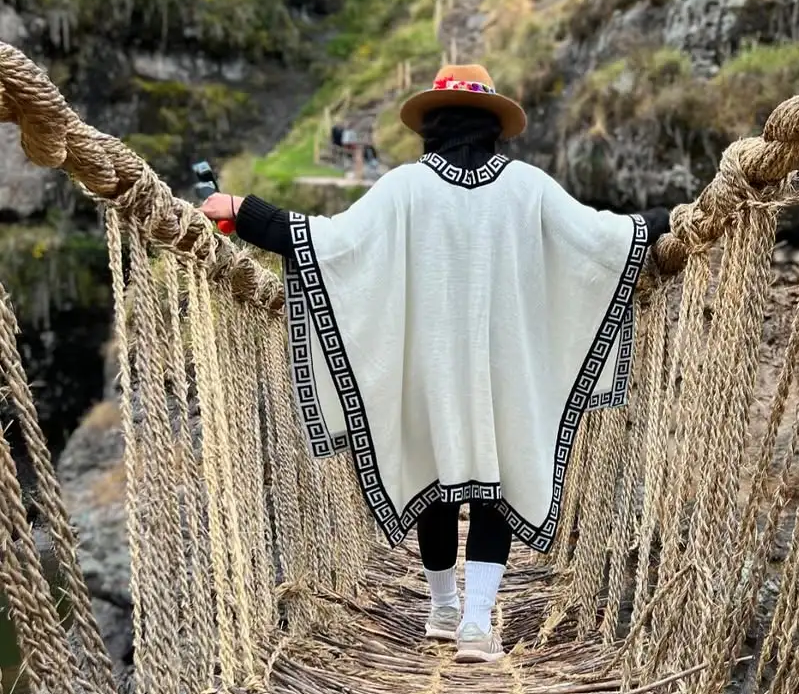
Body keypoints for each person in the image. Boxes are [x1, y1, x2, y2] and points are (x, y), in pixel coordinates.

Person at [200, 64, 669, 663]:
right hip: (506, 369)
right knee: (496, 482)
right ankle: (477, 624)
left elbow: (325, 244)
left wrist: (243, 210)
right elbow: (605, 242)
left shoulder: (404, 188)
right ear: (492, 125)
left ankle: (443, 608)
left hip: (429, 367)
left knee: (437, 476)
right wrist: (668, 221)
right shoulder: (529, 186)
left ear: (433, 126)